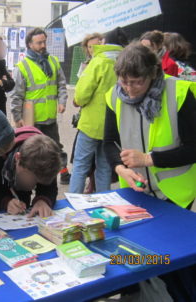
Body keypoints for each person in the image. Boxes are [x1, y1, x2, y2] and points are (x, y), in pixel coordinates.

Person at [104, 42, 196, 209]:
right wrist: (119, 168)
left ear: (153, 73)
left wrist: (148, 159)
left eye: (137, 82)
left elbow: (193, 148)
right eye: (124, 82)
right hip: (135, 189)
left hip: (175, 194)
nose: (129, 90)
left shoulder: (179, 92)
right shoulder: (113, 96)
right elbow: (110, 142)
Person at [69, 27, 127, 193]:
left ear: (104, 42)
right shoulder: (126, 62)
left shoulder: (98, 61)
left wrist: (78, 100)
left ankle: (74, 202)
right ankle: (103, 202)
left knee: (81, 164)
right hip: (114, 126)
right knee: (105, 167)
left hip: (91, 125)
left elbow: (81, 95)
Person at [10, 27, 70, 184]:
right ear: (30, 44)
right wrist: (17, 117)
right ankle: (31, 178)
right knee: (32, 152)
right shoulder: (22, 67)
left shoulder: (53, 61)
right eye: (39, 42)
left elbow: (61, 85)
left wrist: (62, 101)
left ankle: (63, 173)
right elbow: (16, 95)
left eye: (44, 41)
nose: (43, 45)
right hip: (32, 120)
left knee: (55, 148)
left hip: (50, 118)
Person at [0, 126, 62, 218]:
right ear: (17, 158)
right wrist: (5, 201)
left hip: (19, 203)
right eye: (31, 179)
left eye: (37, 182)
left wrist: (42, 200)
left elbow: (50, 187)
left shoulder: (49, 159)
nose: (33, 185)